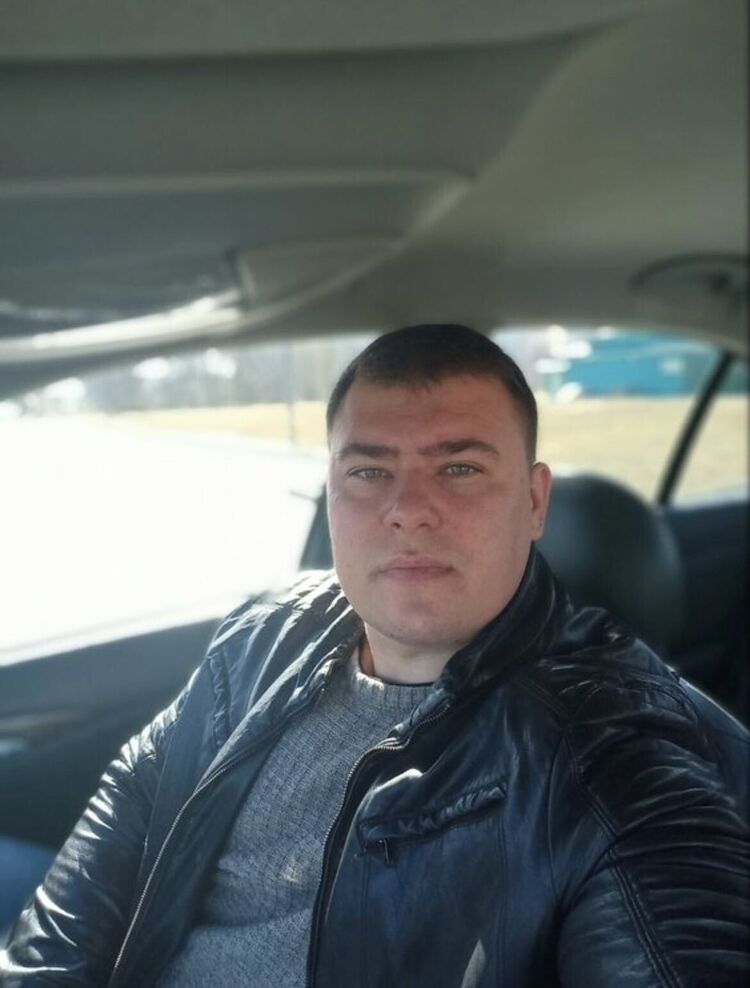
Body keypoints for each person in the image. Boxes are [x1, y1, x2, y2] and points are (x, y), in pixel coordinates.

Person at [1, 324, 748, 987]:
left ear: (533, 501)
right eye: (368, 471)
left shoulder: (610, 752)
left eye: (459, 468)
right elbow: (110, 845)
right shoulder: (261, 640)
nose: (407, 509)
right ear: (330, 494)